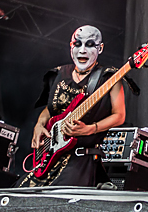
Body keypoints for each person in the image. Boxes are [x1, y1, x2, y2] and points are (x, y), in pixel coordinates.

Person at [24, 25, 127, 188]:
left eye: (90, 44)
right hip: (50, 155)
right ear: (71, 46)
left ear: (100, 48)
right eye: (77, 44)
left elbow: (120, 115)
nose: (82, 50)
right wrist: (39, 124)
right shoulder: (58, 74)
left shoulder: (109, 77)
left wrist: (91, 129)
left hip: (80, 160)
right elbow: (50, 110)